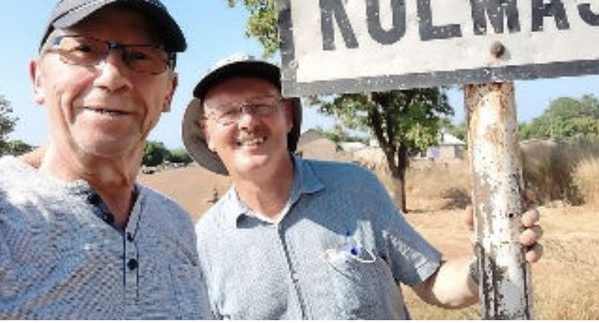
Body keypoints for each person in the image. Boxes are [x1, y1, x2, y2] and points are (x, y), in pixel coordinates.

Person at [182, 53, 543, 319]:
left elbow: (433, 282)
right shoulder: (203, 245)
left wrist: (493, 259)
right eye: (228, 112)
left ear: (287, 116)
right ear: (207, 133)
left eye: (262, 105)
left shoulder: (357, 189)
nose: (247, 122)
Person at [0, 0, 210, 319]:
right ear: (38, 79)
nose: (112, 76)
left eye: (140, 56)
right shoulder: (9, 212)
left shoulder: (176, 224)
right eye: (83, 49)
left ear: (170, 92)